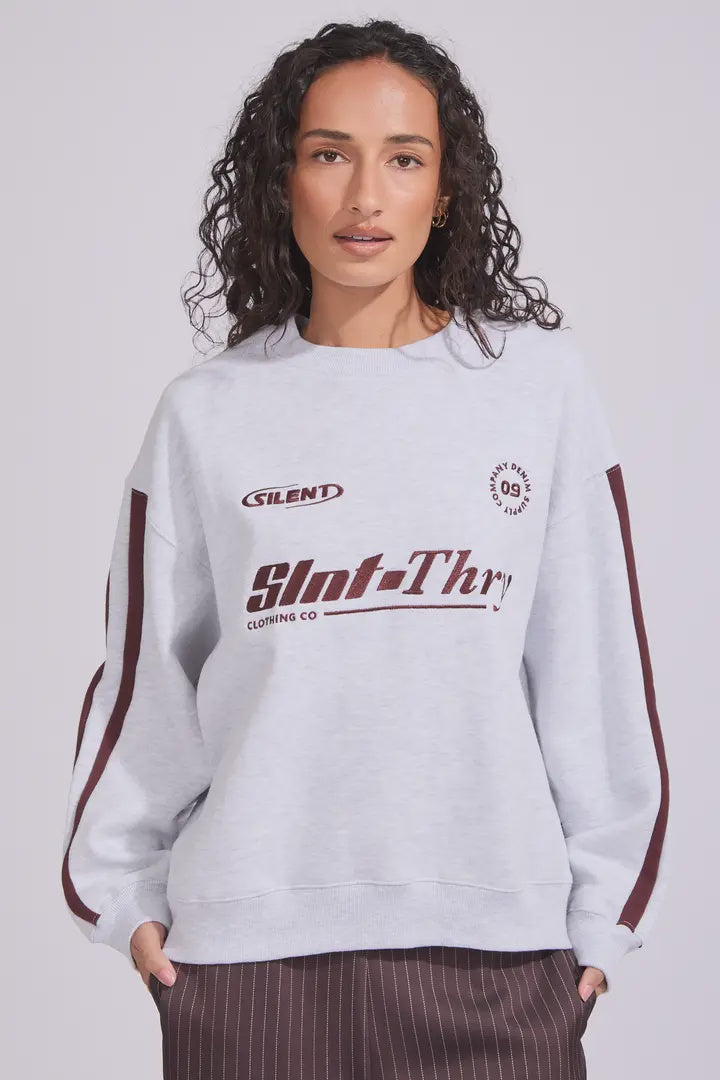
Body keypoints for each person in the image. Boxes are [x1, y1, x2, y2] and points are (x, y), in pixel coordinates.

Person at [60, 17, 671, 1079]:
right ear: (281, 180)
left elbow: (597, 663)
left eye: (404, 159)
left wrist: (604, 916)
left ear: (447, 189)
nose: (365, 197)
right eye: (329, 154)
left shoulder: (537, 391)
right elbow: (145, 682)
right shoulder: (207, 414)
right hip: (249, 965)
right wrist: (123, 897)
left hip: (498, 955)